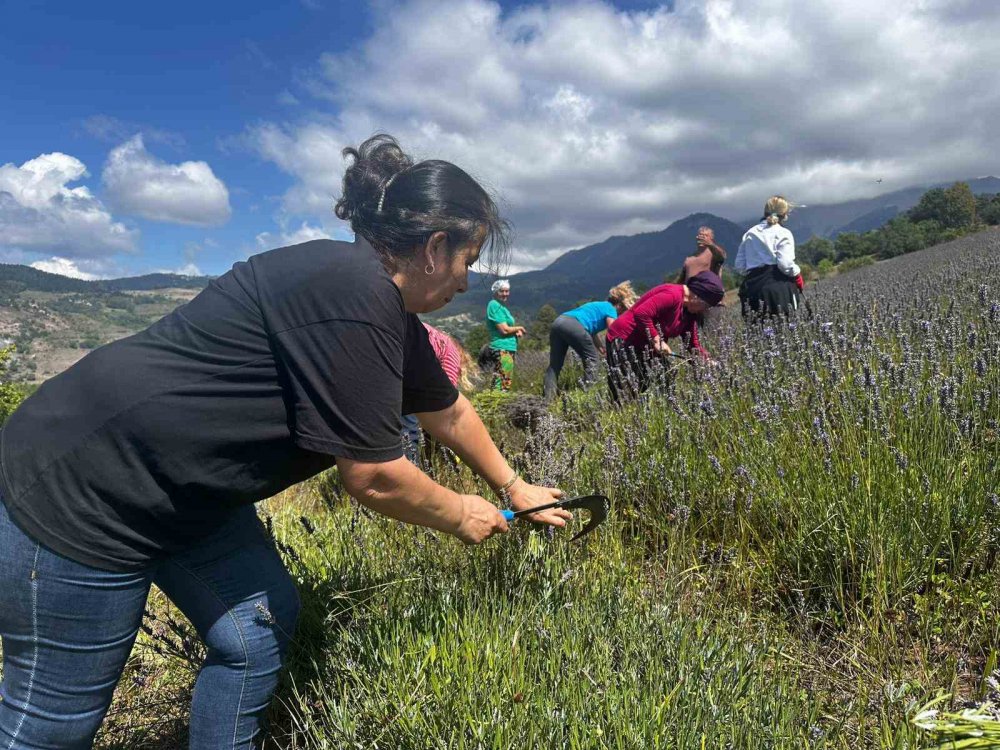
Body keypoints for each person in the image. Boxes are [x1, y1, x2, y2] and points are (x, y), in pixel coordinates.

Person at [0, 133, 571, 750]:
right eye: (470, 257)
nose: (468, 280)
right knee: (52, 725)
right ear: (436, 248)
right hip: (82, 489)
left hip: (188, 497)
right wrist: (463, 512)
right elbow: (374, 476)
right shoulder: (357, 294)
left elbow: (449, 409)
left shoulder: (387, 310)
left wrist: (515, 486)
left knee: (255, 632)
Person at [605, 271, 725, 402]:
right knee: (625, 388)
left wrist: (708, 361)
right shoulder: (672, 294)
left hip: (646, 344)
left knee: (666, 374)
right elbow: (642, 313)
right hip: (625, 338)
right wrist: (657, 341)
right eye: (706, 306)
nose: (704, 310)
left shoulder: (689, 312)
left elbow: (692, 343)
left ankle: (669, 406)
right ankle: (619, 411)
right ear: (698, 296)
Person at [542, 281, 636, 401]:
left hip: (559, 322)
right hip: (573, 325)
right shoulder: (611, 309)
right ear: (619, 304)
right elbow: (613, 331)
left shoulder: (599, 305)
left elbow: (592, 332)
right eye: (622, 310)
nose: (621, 313)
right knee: (592, 360)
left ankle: (547, 400)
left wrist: (601, 348)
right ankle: (587, 397)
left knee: (555, 365)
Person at [401, 322, 475, 463]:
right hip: (409, 363)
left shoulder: (435, 338)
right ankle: (409, 466)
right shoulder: (451, 352)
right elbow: (445, 401)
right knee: (409, 428)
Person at [734, 196, 803, 317]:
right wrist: (797, 274)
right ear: (785, 214)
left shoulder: (750, 233)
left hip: (753, 290)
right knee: (784, 328)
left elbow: (739, 266)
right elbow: (785, 264)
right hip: (778, 288)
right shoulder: (783, 233)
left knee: (756, 330)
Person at [485, 279, 524, 391]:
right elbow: (504, 330)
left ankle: (496, 402)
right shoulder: (494, 305)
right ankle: (496, 403)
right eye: (502, 291)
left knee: (504, 379)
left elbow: (507, 328)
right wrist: (519, 328)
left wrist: (516, 331)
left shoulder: (502, 307)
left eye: (507, 291)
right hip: (502, 347)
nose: (505, 294)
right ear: (496, 292)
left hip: (508, 347)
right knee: (502, 381)